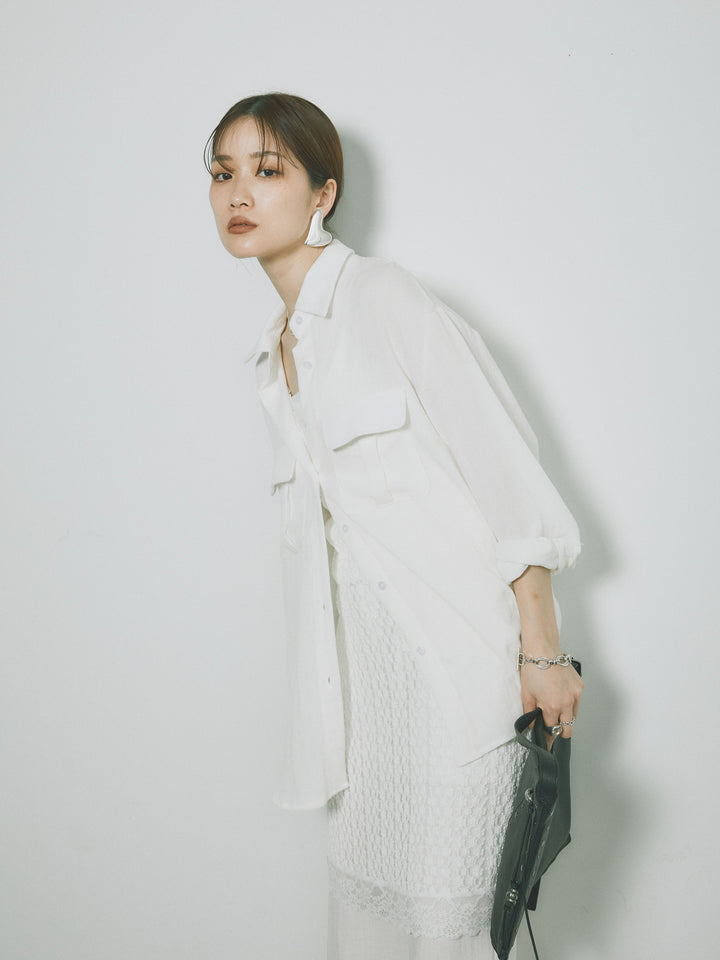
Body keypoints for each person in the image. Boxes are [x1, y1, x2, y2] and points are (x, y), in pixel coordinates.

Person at [205, 92, 584, 960]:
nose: (239, 193)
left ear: (324, 193)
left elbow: (504, 471)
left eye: (268, 171)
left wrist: (542, 654)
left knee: (456, 936)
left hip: (458, 690)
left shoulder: (383, 297)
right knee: (364, 934)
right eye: (223, 174)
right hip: (360, 712)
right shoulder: (275, 352)